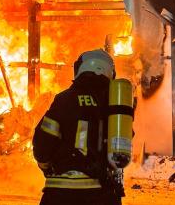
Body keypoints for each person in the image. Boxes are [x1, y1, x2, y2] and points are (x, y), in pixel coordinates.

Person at [32, 49, 124, 205]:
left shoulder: (64, 99)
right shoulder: (115, 105)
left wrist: (46, 166)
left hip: (61, 193)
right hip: (102, 193)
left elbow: (43, 143)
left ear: (80, 69)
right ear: (110, 72)